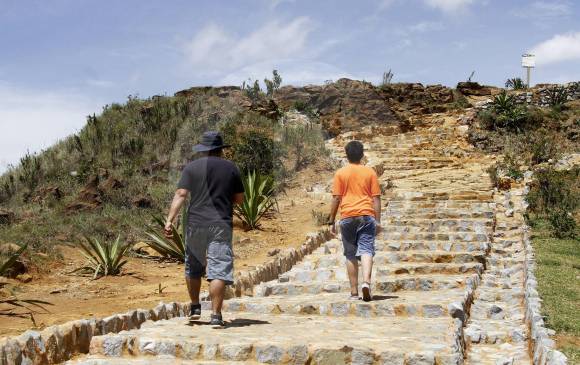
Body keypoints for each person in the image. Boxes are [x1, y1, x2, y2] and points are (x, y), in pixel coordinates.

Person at [164, 131, 244, 326]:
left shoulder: (191, 168)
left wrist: (169, 220)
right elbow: (240, 200)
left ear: (203, 150)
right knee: (218, 269)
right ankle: (216, 316)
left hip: (195, 224)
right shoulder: (231, 168)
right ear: (220, 150)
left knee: (193, 265)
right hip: (220, 224)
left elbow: (181, 194)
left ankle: (195, 307)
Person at [328, 140, 382, 302]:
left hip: (347, 216)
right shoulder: (370, 172)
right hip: (366, 215)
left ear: (346, 155)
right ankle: (366, 283)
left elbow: (336, 198)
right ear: (362, 154)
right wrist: (377, 221)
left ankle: (353, 292)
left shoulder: (340, 173)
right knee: (366, 250)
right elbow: (376, 199)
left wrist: (331, 220)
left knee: (350, 254)